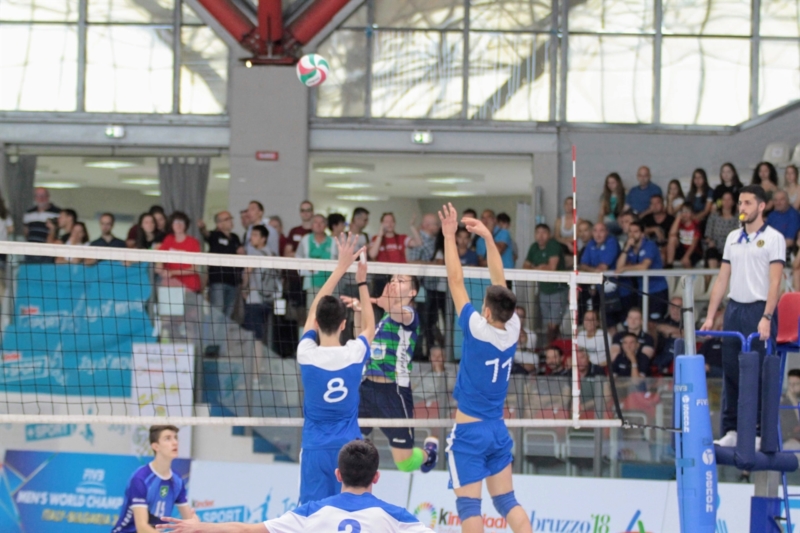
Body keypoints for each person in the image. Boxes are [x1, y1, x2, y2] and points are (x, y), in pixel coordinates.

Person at [437, 202, 531, 533]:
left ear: (487, 312)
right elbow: (499, 280)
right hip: (496, 430)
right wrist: (490, 239)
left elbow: (455, 280)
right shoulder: (514, 327)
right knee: (507, 502)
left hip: (470, 433)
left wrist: (449, 236)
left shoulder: (478, 329)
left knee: (469, 508)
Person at [156, 440, 436, 533]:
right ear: (376, 477)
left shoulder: (310, 512)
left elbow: (246, 530)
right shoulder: (397, 518)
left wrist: (200, 526)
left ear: (338, 475)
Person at [701, 185, 785, 447]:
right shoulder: (732, 238)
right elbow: (722, 279)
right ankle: (731, 430)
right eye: (740, 203)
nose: (742, 208)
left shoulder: (774, 238)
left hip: (759, 309)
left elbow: (776, 282)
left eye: (747, 203)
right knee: (731, 370)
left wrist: (767, 316)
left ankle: (759, 433)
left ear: (761, 206)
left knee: (759, 372)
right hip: (735, 309)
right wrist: (710, 316)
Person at [296, 233, 375, 504]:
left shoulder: (306, 353)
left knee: (312, 515)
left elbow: (313, 312)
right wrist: (361, 282)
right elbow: (370, 327)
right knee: (354, 510)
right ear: (344, 324)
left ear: (317, 323)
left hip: (315, 448)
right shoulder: (354, 353)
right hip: (350, 449)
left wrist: (340, 268)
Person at [342, 274, 439, 475]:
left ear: (412, 292)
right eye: (393, 280)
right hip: (366, 389)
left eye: (401, 281)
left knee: (404, 463)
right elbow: (361, 339)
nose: (395, 283)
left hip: (394, 392)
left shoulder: (410, 315)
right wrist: (359, 312)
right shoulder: (383, 322)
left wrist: (382, 303)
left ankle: (429, 453)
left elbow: (397, 312)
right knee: (349, 445)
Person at [112, 425, 194, 533]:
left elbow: (189, 519)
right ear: (156, 446)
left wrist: (197, 525)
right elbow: (142, 528)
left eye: (175, 438)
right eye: (168, 438)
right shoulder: (141, 478)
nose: (175, 442)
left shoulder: (177, 480)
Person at [615, 221, 669, 321]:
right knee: (642, 322)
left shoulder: (650, 245)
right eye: (630, 231)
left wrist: (625, 268)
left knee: (654, 323)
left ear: (642, 234)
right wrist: (626, 248)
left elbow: (644, 266)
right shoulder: (629, 248)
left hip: (657, 290)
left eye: (635, 232)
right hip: (641, 291)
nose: (632, 234)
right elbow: (619, 267)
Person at [523, 224, 568, 343]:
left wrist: (535, 268)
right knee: (548, 324)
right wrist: (540, 267)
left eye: (544, 232)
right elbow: (525, 266)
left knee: (554, 324)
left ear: (549, 234)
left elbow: (551, 268)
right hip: (543, 290)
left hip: (558, 290)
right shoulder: (534, 247)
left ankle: (552, 347)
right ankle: (552, 347)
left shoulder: (553, 245)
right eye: (538, 232)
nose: (540, 236)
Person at [242, 225, 280, 355]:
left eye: (255, 235)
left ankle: (255, 367)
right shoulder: (273, 254)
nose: (251, 238)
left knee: (254, 337)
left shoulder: (255, 254)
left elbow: (247, 272)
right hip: (269, 300)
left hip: (255, 300)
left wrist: (244, 289)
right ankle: (260, 364)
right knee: (264, 336)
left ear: (263, 239)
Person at [199, 211, 244, 319]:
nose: (230, 221)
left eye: (231, 218)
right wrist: (202, 228)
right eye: (227, 219)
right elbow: (206, 234)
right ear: (219, 224)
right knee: (217, 312)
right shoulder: (215, 236)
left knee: (228, 315)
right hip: (218, 280)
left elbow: (241, 253)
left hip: (233, 282)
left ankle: (223, 331)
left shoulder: (235, 237)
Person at [578, 222, 622, 327]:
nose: (598, 234)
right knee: (607, 324)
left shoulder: (612, 242)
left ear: (607, 232)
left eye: (601, 231)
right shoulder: (591, 244)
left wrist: (591, 270)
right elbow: (582, 266)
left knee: (620, 323)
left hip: (618, 290)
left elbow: (603, 267)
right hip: (600, 289)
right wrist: (594, 271)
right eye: (595, 231)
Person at [156, 212, 202, 293]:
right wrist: (159, 267)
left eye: (181, 222)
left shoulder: (193, 242)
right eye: (175, 222)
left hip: (190, 285)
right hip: (170, 283)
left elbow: (194, 268)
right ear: (171, 225)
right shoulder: (168, 239)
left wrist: (172, 272)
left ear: (186, 225)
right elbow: (160, 257)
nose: (178, 225)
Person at [296, 214, 334, 309]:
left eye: (321, 222)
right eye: (316, 222)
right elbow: (297, 260)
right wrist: (306, 269)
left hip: (331, 285)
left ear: (326, 225)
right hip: (311, 284)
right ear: (311, 225)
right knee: (312, 312)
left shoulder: (333, 242)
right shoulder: (305, 240)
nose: (318, 225)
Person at [705, 191, 739, 270]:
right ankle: (714, 274)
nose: (726, 202)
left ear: (733, 202)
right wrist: (710, 242)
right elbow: (708, 234)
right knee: (711, 252)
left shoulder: (738, 218)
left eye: (729, 199)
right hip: (716, 247)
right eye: (724, 199)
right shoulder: (714, 216)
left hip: (731, 247)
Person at [666, 203, 702, 268]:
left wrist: (686, 256)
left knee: (686, 261)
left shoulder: (696, 224)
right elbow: (671, 234)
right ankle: (669, 265)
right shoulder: (679, 223)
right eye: (683, 211)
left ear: (692, 213)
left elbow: (694, 243)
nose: (684, 214)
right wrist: (678, 219)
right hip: (682, 248)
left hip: (693, 250)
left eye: (687, 212)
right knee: (672, 239)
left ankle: (690, 274)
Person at [513, 306, 538, 374]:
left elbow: (529, 355)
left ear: (524, 319)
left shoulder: (532, 335)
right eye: (515, 315)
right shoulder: (503, 333)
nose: (517, 318)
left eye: (520, 316)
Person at [781, 370, 800, 453]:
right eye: (790, 384)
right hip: (790, 440)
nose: (792, 387)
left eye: (796, 384)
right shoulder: (782, 402)